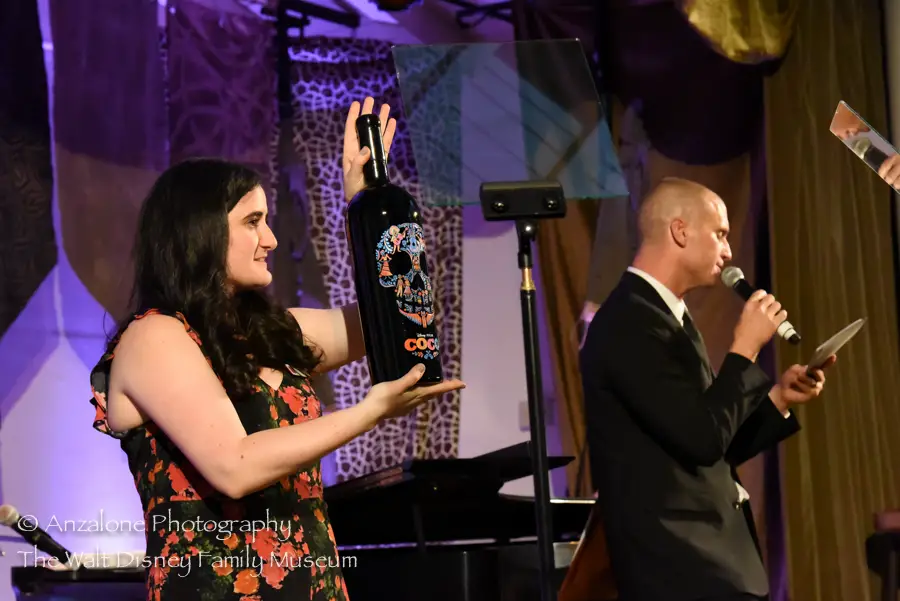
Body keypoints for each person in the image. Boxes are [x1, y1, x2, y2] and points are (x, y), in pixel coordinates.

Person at [88, 97, 465, 600]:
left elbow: (399, 313)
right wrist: (369, 412)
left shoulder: (273, 332)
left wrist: (365, 209)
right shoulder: (153, 337)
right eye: (252, 222)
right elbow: (235, 466)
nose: (270, 238)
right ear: (200, 232)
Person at [579, 177, 836, 601]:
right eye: (720, 234)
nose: (729, 252)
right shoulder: (629, 322)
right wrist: (744, 347)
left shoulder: (666, 315)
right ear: (680, 231)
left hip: (709, 568)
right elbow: (701, 439)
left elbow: (710, 441)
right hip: (677, 570)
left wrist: (778, 399)